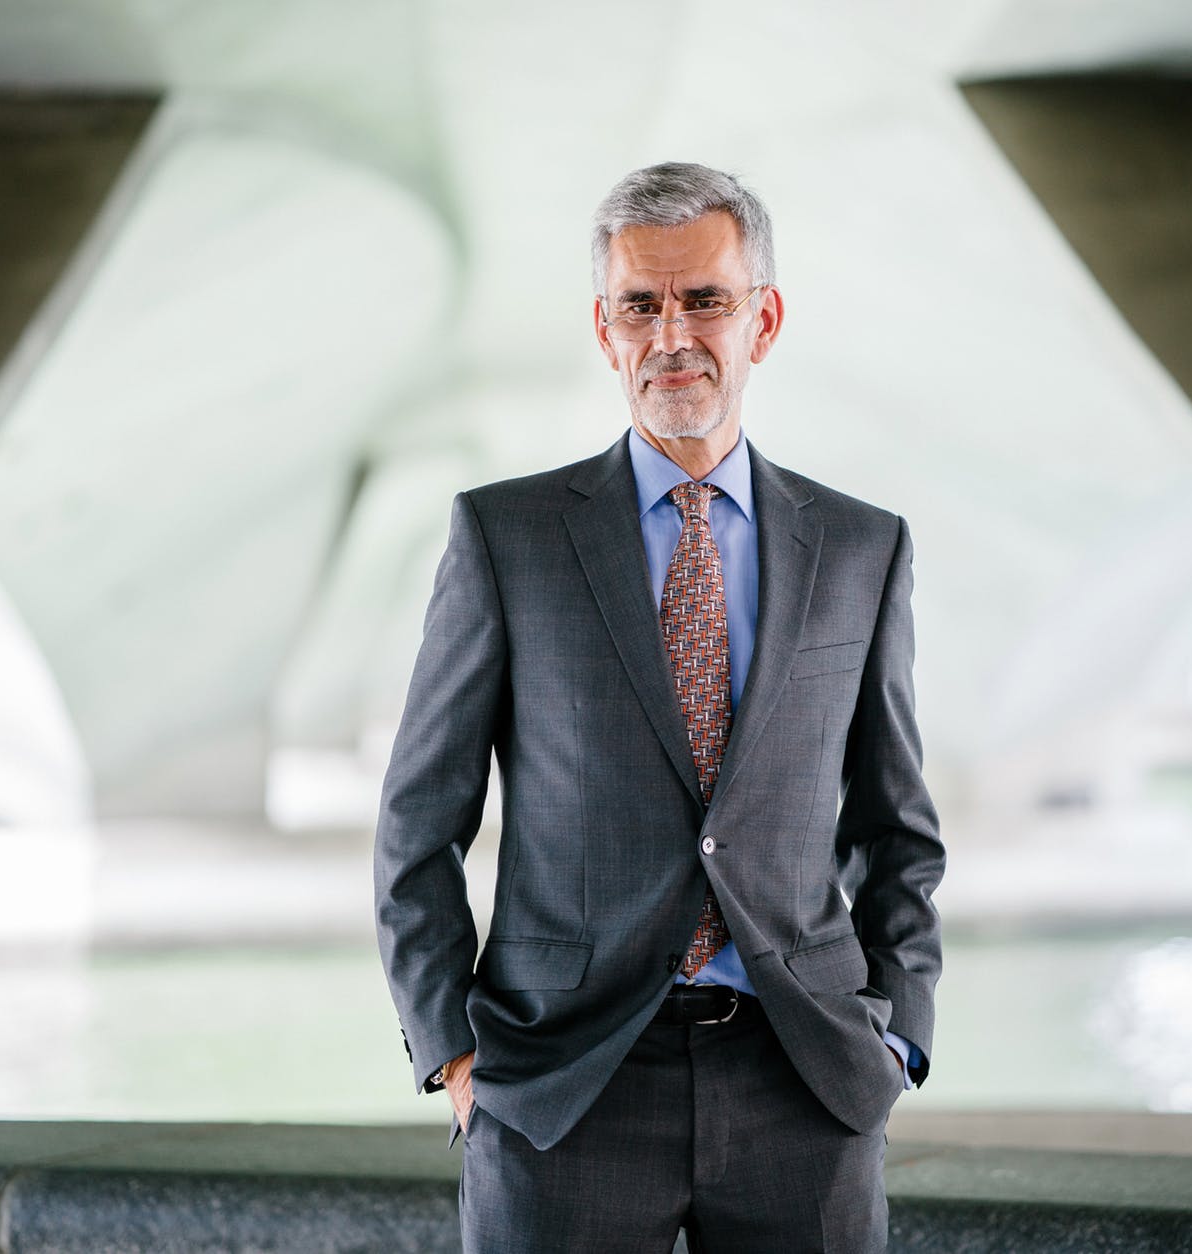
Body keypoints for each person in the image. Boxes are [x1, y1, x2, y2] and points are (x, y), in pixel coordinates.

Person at [374, 161, 944, 1253]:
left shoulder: (861, 548)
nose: (671, 333)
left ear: (761, 319)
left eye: (705, 300)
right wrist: (450, 1050)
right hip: (563, 1090)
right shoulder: (508, 538)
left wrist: (896, 1034)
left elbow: (896, 828)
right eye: (641, 304)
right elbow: (416, 821)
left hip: (804, 1084)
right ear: (604, 327)